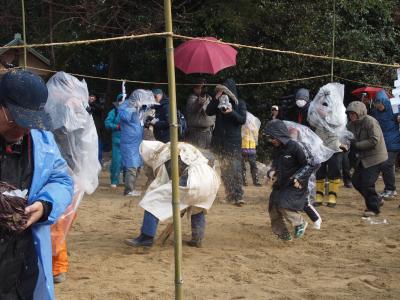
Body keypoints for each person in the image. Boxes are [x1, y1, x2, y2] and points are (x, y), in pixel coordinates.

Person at [0, 70, 73, 300]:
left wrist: (45, 205)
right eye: (16, 119)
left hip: (24, 264)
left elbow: (61, 179)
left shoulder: (43, 141)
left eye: (29, 122)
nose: (22, 129)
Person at [45, 71, 100, 284]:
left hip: (68, 174)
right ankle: (57, 265)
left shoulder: (72, 112)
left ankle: (57, 268)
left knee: (58, 222)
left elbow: (79, 143)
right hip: (63, 172)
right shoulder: (62, 110)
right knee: (57, 222)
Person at [124, 141, 220, 248]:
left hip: (193, 177)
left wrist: (149, 196)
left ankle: (146, 237)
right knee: (198, 204)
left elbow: (159, 184)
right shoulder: (177, 146)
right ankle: (197, 237)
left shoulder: (163, 156)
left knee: (151, 201)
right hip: (211, 178)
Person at [264, 119, 313, 241]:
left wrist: (299, 177)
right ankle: (283, 234)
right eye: (270, 138)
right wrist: (271, 172)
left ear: (280, 135)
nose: (271, 140)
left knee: (284, 204)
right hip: (281, 183)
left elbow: (310, 164)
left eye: (273, 137)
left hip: (296, 185)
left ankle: (300, 223)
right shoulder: (277, 149)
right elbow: (274, 165)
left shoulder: (296, 146)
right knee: (273, 207)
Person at [308, 83, 351, 208]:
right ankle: (319, 195)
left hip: (334, 145)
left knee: (334, 169)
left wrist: (328, 115)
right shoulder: (317, 108)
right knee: (319, 169)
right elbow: (311, 120)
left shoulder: (339, 111)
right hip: (320, 145)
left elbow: (340, 122)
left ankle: (332, 195)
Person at [206, 78, 247, 206]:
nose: (224, 93)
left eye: (226, 90)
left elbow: (242, 119)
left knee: (235, 169)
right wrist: (215, 98)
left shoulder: (240, 103)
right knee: (224, 170)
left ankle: (238, 196)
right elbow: (208, 111)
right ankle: (230, 195)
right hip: (219, 140)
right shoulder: (219, 102)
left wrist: (231, 112)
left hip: (233, 142)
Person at [346, 101, 388, 217]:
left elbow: (374, 140)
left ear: (360, 113)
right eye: (349, 114)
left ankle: (373, 209)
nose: (351, 116)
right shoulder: (350, 125)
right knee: (355, 181)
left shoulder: (371, 121)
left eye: (353, 113)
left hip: (376, 157)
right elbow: (348, 138)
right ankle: (377, 199)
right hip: (362, 158)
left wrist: (357, 145)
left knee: (367, 183)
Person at [369, 90, 400, 199]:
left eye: (380, 104)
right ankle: (389, 189)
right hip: (382, 142)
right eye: (377, 104)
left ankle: (391, 189)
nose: (379, 106)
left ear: (385, 102)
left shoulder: (394, 109)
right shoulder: (376, 112)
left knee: (387, 164)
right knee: (384, 165)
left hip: (394, 142)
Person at [118, 90, 145, 196]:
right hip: (129, 141)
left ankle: (132, 188)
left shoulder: (139, 107)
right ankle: (128, 190)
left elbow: (140, 121)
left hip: (137, 140)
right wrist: (133, 107)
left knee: (137, 166)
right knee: (131, 166)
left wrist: (142, 109)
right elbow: (125, 117)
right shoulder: (124, 106)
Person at [185, 79, 215, 148]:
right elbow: (196, 107)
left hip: (209, 133)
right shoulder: (192, 98)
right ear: (195, 88)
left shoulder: (210, 98)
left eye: (204, 87)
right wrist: (202, 97)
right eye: (200, 87)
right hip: (197, 133)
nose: (202, 89)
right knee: (197, 155)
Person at [105, 94, 123, 188]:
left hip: (129, 140)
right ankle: (114, 180)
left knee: (128, 161)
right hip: (117, 139)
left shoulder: (131, 112)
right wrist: (117, 126)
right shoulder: (114, 112)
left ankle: (127, 180)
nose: (123, 102)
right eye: (121, 100)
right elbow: (107, 123)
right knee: (116, 161)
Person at [241, 112, 262, 186]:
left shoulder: (254, 127)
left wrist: (252, 128)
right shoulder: (241, 126)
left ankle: (256, 181)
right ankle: (244, 181)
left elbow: (256, 136)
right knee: (242, 166)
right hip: (242, 148)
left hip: (251, 149)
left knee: (253, 166)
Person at [88, 93, 104, 165]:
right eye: (90, 96)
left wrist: (92, 105)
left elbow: (99, 108)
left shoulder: (98, 105)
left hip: (97, 130)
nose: (91, 98)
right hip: (88, 131)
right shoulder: (86, 104)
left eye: (93, 97)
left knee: (98, 146)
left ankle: (99, 161)